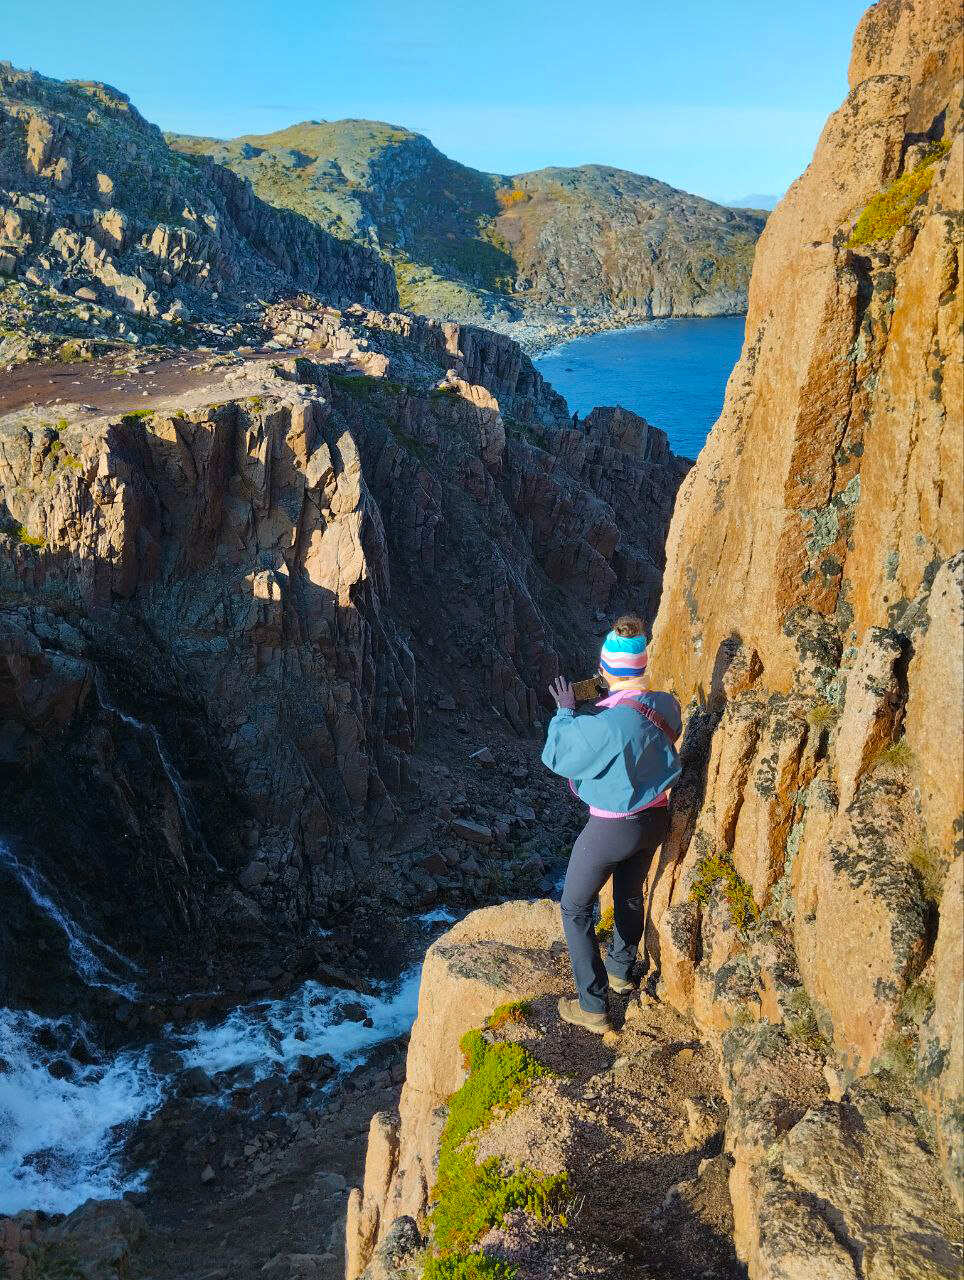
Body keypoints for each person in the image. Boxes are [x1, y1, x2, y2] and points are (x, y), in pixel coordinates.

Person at [542, 616, 682, 1032]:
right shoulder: (666, 705)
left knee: (574, 908)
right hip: (655, 819)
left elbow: (557, 754)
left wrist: (565, 711)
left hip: (611, 829)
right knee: (629, 893)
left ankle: (593, 1006)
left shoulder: (604, 726)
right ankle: (621, 970)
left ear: (605, 670)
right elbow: (658, 732)